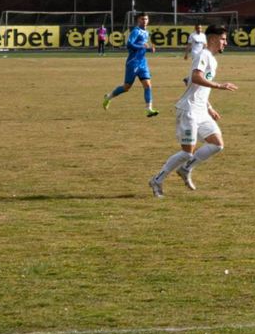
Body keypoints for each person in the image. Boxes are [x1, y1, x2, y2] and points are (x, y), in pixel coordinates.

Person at [149, 25, 238, 197]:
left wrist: (209, 107)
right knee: (186, 152)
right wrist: (220, 85)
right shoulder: (202, 55)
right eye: (223, 39)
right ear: (212, 39)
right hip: (189, 109)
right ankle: (157, 180)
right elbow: (196, 77)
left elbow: (191, 82)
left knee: (217, 144)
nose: (225, 43)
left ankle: (185, 169)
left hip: (201, 110)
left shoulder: (212, 59)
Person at [102, 13, 159, 117]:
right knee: (126, 87)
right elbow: (129, 44)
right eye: (142, 19)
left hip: (142, 63)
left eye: (146, 19)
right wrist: (142, 47)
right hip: (133, 62)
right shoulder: (136, 31)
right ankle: (108, 97)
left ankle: (149, 109)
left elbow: (143, 47)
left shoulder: (146, 32)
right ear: (138, 20)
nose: (145, 21)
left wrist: (149, 49)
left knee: (148, 85)